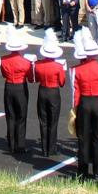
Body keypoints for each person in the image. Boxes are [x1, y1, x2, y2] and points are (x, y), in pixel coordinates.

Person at [71, 29, 98, 181]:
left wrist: (75, 108)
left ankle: (82, 171)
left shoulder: (78, 70)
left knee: (83, 137)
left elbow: (76, 92)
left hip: (84, 103)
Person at [0, 28, 34, 154]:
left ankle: (11, 143)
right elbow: (30, 78)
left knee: (10, 116)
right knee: (21, 116)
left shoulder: (3, 60)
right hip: (21, 88)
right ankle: (20, 144)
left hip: (9, 87)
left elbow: (3, 74)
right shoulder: (25, 62)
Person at [33, 29, 66, 157]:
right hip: (53, 92)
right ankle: (51, 148)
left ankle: (44, 148)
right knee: (53, 121)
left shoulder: (39, 65)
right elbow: (62, 83)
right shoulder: (58, 66)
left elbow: (35, 78)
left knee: (43, 120)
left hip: (42, 91)